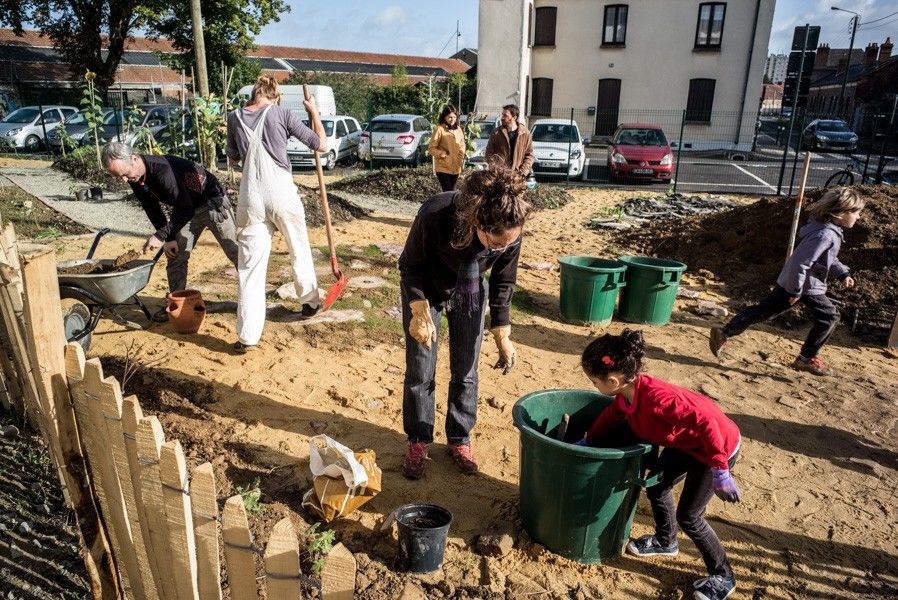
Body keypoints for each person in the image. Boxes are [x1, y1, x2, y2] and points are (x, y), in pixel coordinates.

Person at [578, 329, 742, 600]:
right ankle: (667, 542)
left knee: (690, 516)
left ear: (613, 380)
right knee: (657, 487)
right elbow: (611, 417)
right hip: (687, 444)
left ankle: (723, 576)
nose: (594, 386)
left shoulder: (658, 399)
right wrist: (588, 440)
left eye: (595, 381)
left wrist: (720, 469)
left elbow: (708, 421)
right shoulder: (627, 395)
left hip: (717, 448)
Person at [399, 166, 530, 479]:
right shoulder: (435, 214)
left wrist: (502, 333)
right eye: (495, 243)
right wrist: (418, 311)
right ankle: (418, 438)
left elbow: (503, 280)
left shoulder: (511, 230)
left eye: (507, 244)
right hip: (425, 290)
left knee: (466, 367)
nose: (501, 249)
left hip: (469, 291)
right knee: (421, 367)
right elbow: (409, 265)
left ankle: (459, 438)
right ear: (477, 222)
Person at [709, 187, 864, 376]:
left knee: (765, 310)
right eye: (856, 213)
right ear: (841, 212)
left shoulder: (827, 231)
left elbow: (827, 259)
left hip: (794, 281)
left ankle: (725, 331)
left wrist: (842, 274)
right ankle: (806, 358)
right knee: (830, 317)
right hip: (806, 285)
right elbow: (801, 263)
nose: (858, 217)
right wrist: (796, 290)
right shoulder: (825, 235)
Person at [226, 75, 327, 352]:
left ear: (254, 94)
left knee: (249, 268)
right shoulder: (281, 113)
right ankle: (309, 302)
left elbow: (233, 156)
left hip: (250, 197)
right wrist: (313, 112)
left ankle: (247, 336)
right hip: (281, 191)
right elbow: (320, 144)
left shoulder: (234, 117)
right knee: (299, 248)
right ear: (275, 96)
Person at [101, 142, 239, 321]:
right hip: (186, 207)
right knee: (175, 255)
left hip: (211, 201)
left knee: (234, 251)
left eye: (125, 174)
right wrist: (169, 238)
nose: (124, 180)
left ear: (134, 159)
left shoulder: (161, 170)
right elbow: (152, 208)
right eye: (119, 177)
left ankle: (252, 299)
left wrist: (160, 236)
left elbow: (185, 208)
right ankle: (177, 304)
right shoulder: (135, 177)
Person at [484, 104, 534, 176]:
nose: (502, 118)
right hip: (499, 176)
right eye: (502, 115)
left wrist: (523, 171)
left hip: (517, 176)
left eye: (505, 115)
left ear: (514, 117)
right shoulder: (496, 133)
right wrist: (496, 169)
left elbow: (529, 155)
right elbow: (489, 153)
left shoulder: (525, 133)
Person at [428, 104, 466, 192]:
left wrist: (460, 157)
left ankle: (448, 206)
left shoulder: (459, 129)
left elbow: (462, 145)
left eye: (454, 117)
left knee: (452, 192)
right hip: (443, 168)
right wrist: (441, 154)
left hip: (456, 168)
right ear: (444, 117)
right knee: (448, 192)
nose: (452, 120)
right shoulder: (439, 129)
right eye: (450, 117)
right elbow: (431, 148)